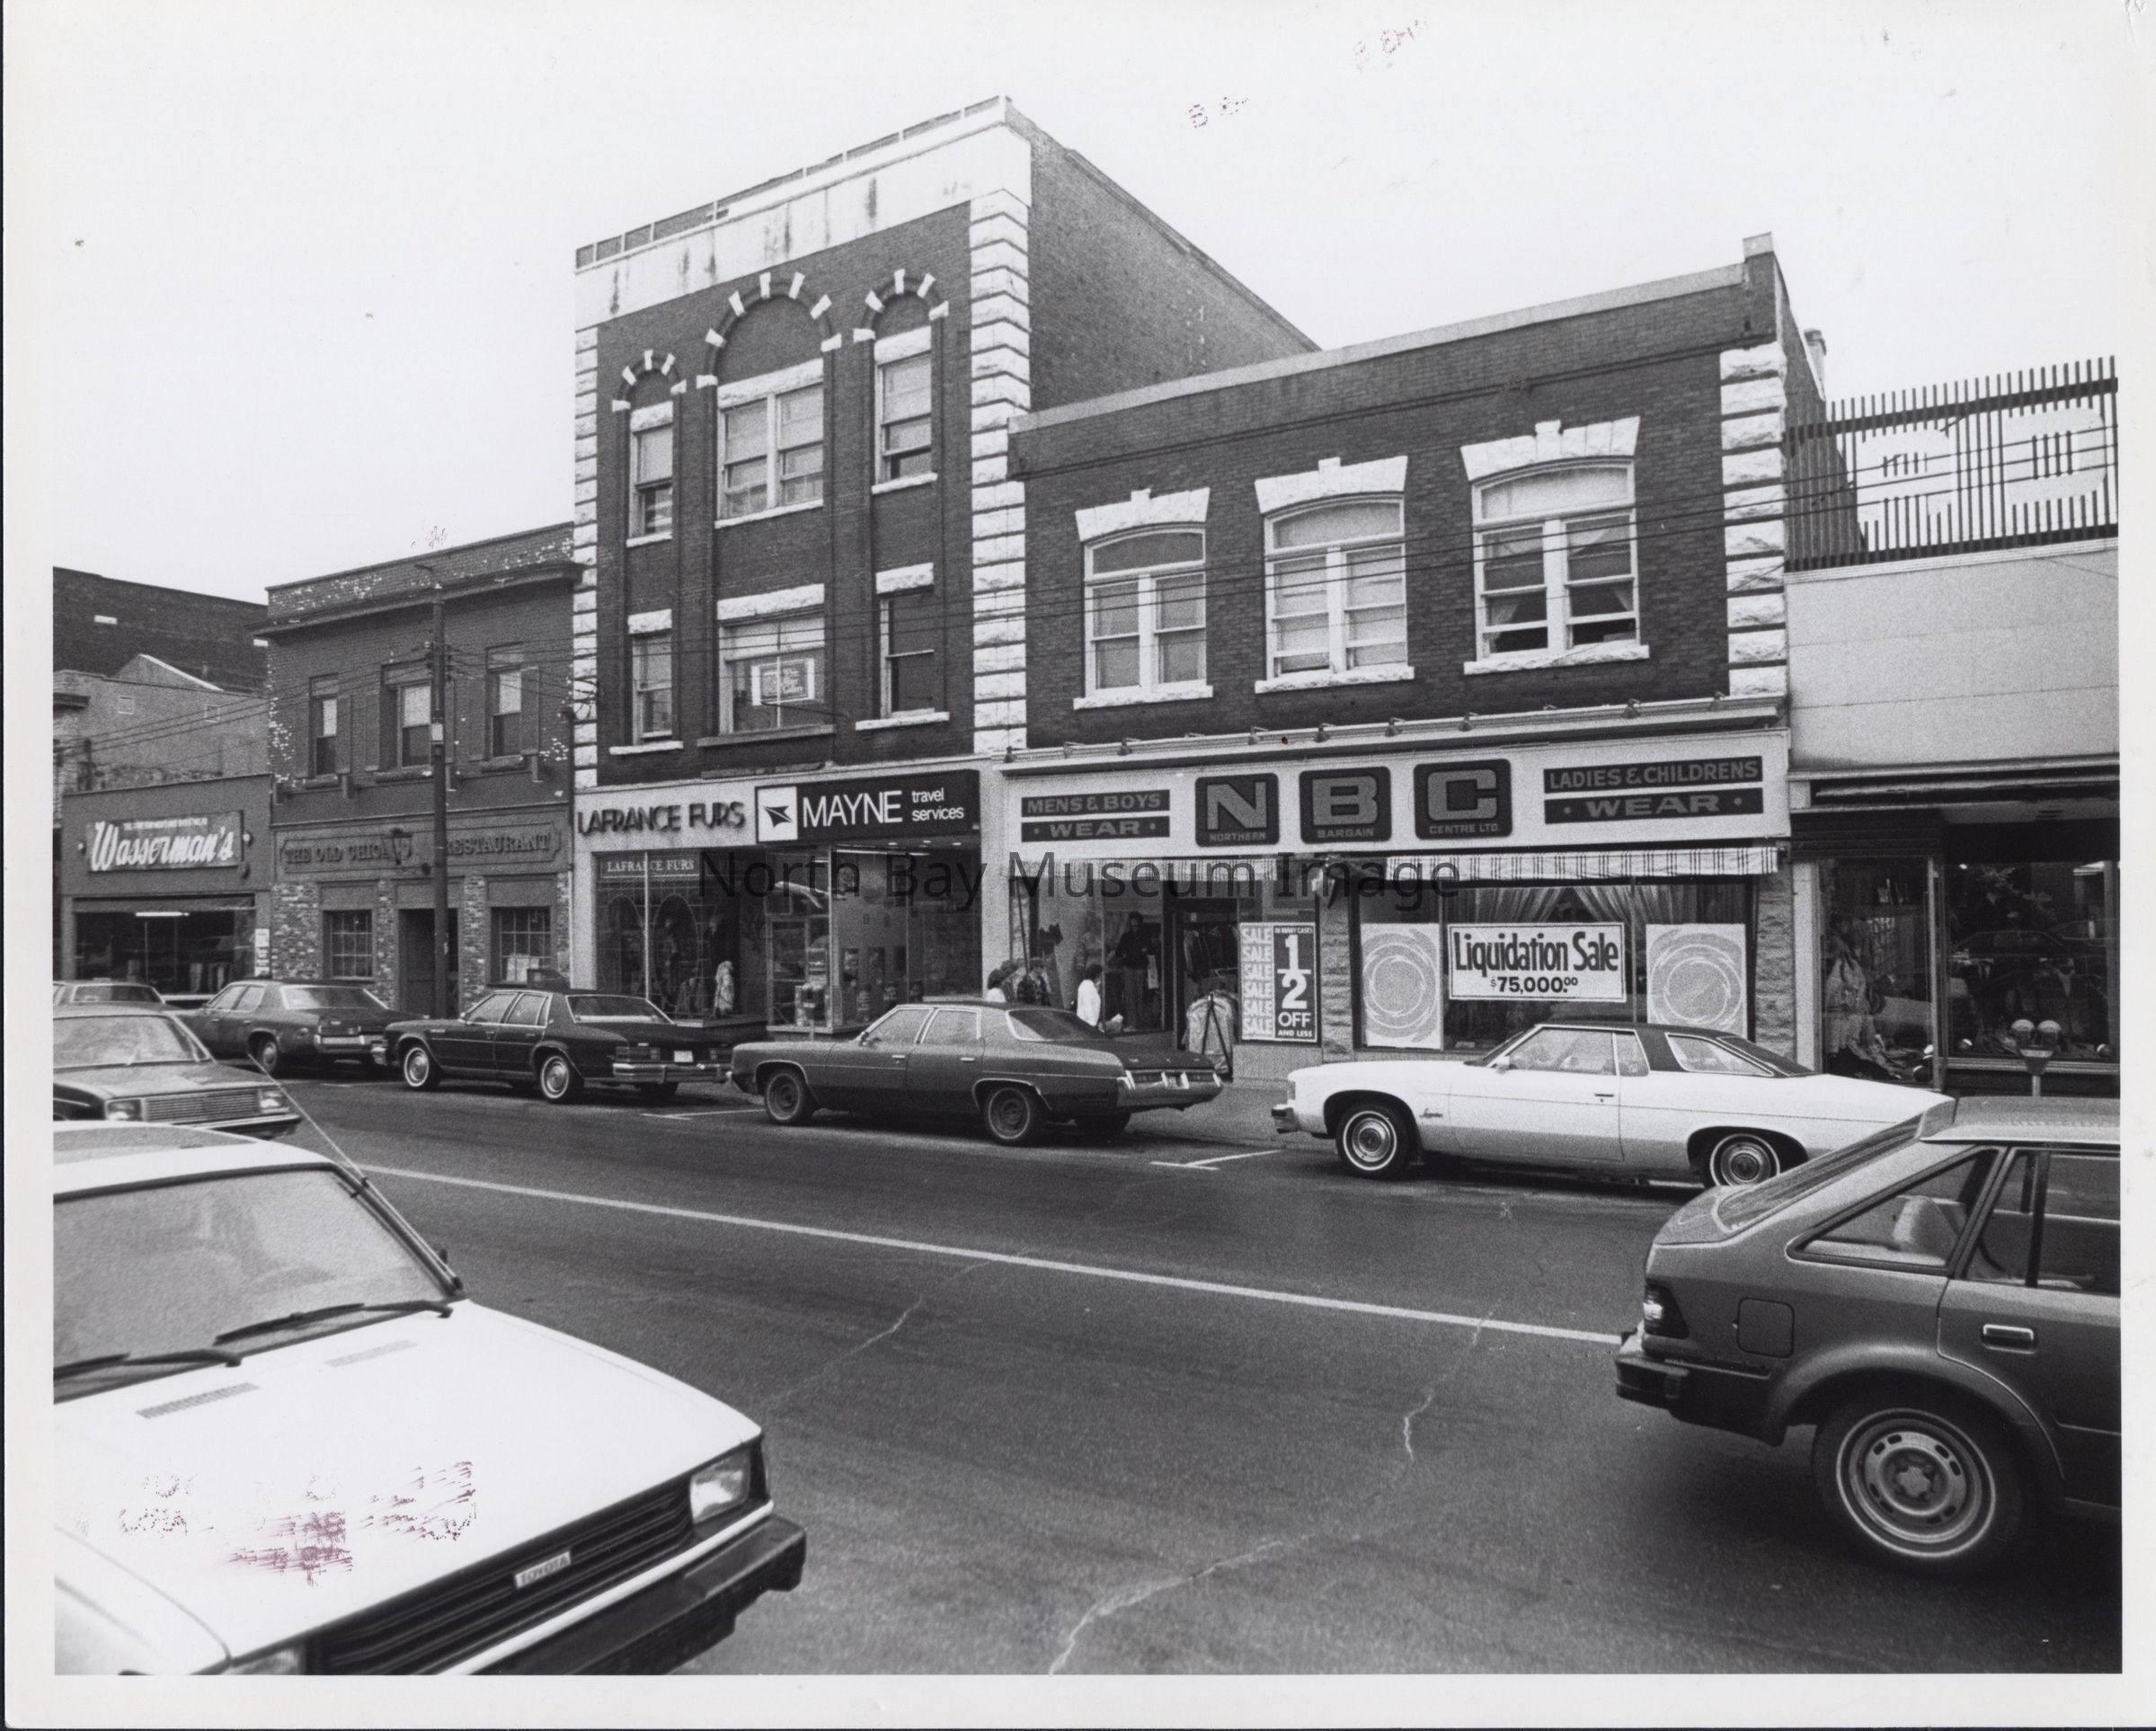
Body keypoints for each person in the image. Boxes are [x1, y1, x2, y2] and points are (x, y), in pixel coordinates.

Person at [1075, 963, 1105, 1027]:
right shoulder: (1087, 987)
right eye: (1100, 976)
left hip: (1088, 1022)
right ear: (1096, 976)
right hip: (1088, 1023)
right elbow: (1088, 1006)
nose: (1101, 979)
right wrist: (1093, 1023)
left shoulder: (1089, 986)